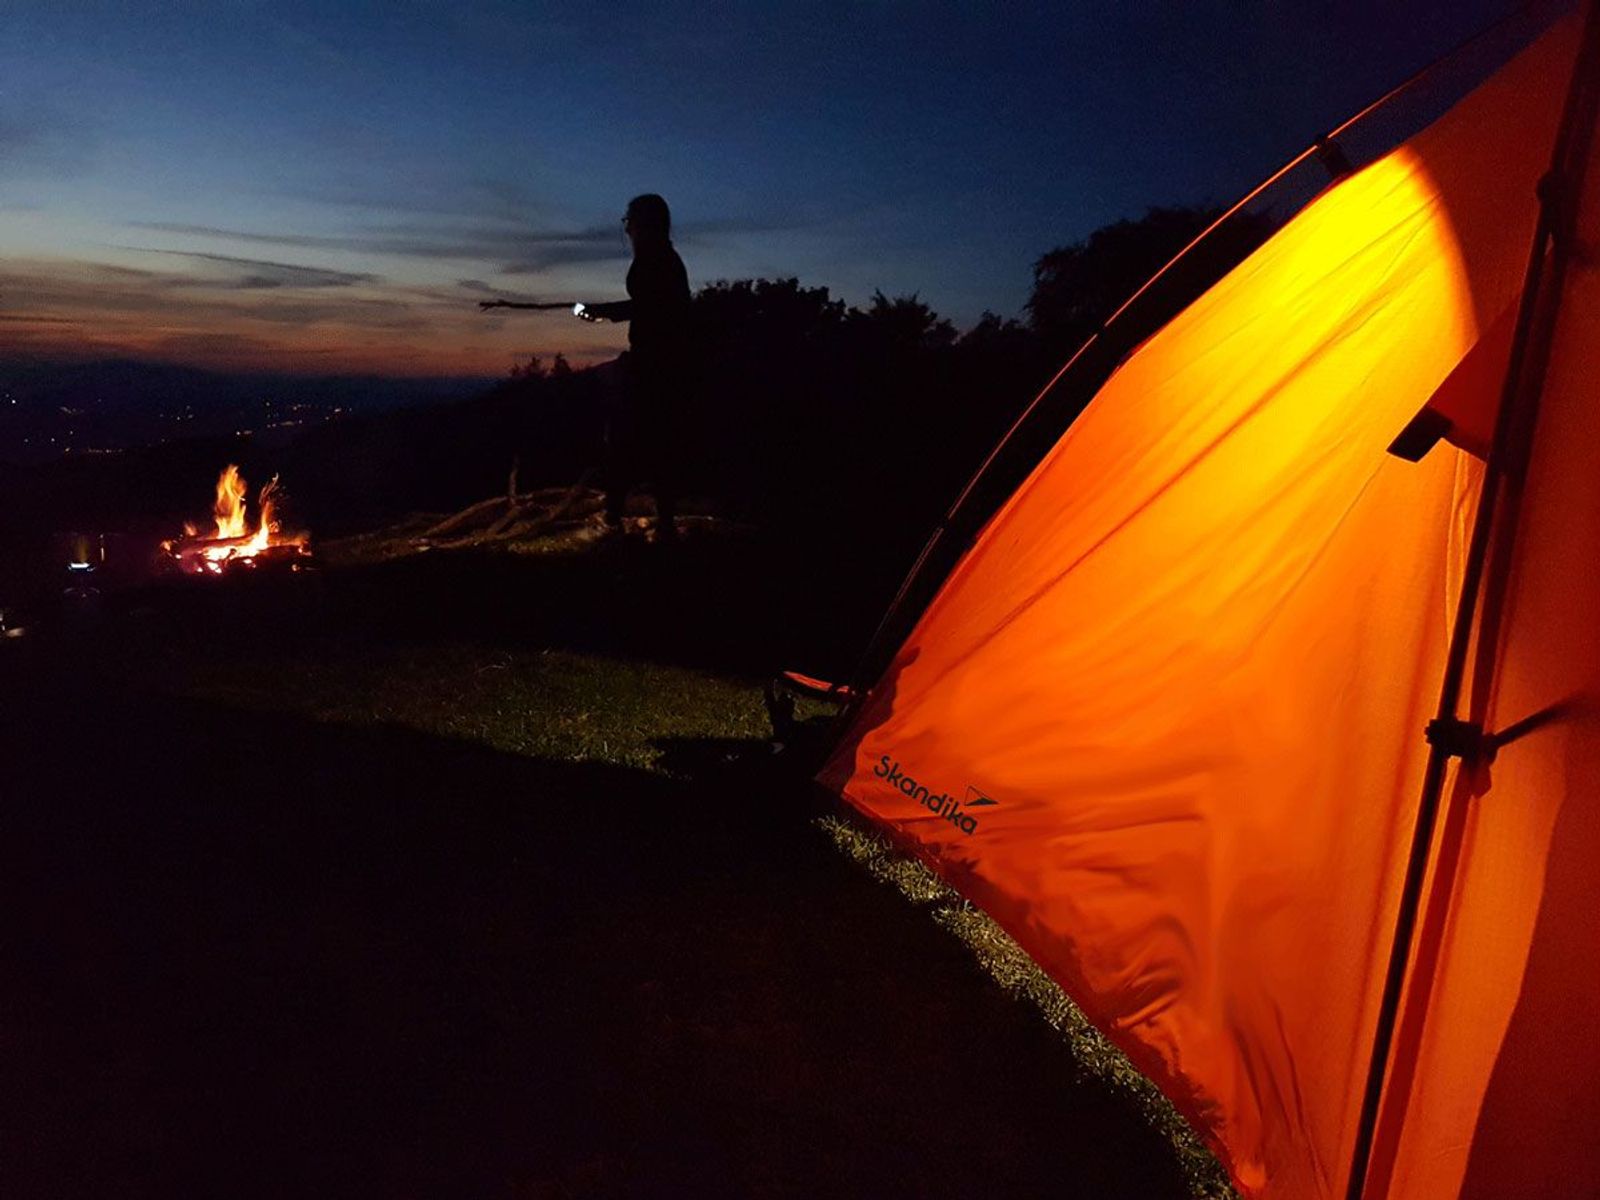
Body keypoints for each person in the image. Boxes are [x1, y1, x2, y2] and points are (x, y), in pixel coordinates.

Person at [576, 193, 694, 541]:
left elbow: (647, 309)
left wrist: (599, 312)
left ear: (643, 223)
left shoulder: (656, 260)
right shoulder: (665, 259)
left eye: (629, 220)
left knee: (625, 439)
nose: (626, 227)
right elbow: (649, 307)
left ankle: (613, 520)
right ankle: (663, 522)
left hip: (653, 365)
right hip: (664, 363)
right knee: (657, 441)